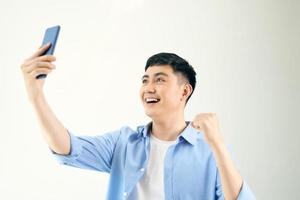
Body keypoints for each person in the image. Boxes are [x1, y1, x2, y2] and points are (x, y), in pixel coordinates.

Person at [20, 43, 256, 200]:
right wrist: (35, 96)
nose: (148, 88)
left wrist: (218, 144)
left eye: (160, 80)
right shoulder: (123, 142)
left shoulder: (209, 150)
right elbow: (68, 149)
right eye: (145, 80)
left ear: (184, 92)